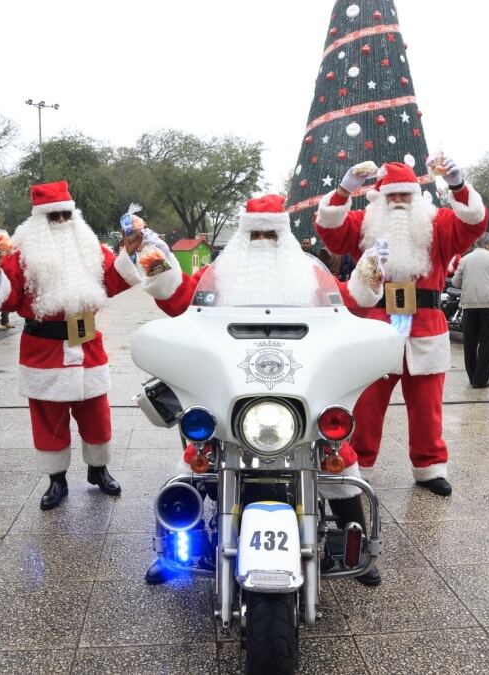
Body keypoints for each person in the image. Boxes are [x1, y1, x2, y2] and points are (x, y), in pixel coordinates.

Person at [134, 193, 389, 586]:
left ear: (284, 237)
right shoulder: (219, 278)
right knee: (195, 455)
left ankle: (358, 544)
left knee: (338, 453)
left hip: (299, 386)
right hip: (232, 390)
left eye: (272, 235)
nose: (264, 243)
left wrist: (368, 273)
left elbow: (349, 302)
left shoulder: (311, 280)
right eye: (257, 235)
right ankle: (173, 551)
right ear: (243, 237)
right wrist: (161, 271)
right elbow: (183, 301)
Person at [316, 159, 489, 495]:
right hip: (375, 327)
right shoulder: (365, 225)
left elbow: (473, 224)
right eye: (392, 196)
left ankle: (429, 466)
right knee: (366, 405)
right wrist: (344, 189)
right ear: (379, 197)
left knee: (428, 406)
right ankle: (359, 465)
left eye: (405, 196)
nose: (398, 202)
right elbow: (331, 232)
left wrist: (457, 184)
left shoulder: (437, 224)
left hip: (425, 326)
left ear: (416, 197)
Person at [0, 179, 141, 510]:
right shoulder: (22, 254)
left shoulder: (91, 249)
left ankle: (99, 470)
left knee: (97, 414)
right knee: (48, 417)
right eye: (53, 216)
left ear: (73, 217)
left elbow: (113, 280)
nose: (60, 223)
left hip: (85, 346)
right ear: (39, 220)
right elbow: (8, 299)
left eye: (65, 216)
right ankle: (56, 480)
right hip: (43, 350)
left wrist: (129, 252)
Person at [452, 232, 489, 388]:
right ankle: (481, 380)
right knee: (488, 343)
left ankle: (472, 377)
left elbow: (456, 282)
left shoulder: (465, 260)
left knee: (470, 343)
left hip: (469, 306)